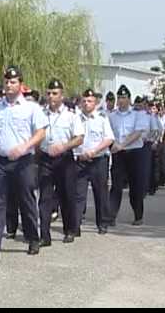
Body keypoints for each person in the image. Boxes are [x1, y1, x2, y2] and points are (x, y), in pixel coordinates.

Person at [0, 66, 48, 261]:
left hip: (23, 161)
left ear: (20, 84)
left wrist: (25, 146)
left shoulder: (31, 108)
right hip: (0, 161)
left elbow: (41, 132)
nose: (9, 85)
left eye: (13, 82)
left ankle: (33, 238)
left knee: (26, 199)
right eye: (7, 82)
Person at [37, 78, 84, 245]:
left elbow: (79, 138)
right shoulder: (41, 113)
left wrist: (64, 146)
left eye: (55, 93)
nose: (51, 97)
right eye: (49, 93)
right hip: (45, 158)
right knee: (45, 196)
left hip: (64, 158)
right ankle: (44, 235)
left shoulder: (71, 116)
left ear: (62, 95)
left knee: (67, 195)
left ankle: (70, 229)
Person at [73, 89, 114, 235]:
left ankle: (102, 223)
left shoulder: (102, 118)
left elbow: (109, 138)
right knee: (78, 194)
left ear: (95, 103)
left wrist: (94, 151)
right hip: (80, 161)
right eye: (84, 101)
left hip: (98, 160)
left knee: (101, 193)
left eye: (89, 101)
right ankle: (75, 225)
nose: (86, 103)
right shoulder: (75, 118)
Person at [108, 85, 147, 226]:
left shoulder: (138, 114)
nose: (121, 100)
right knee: (116, 185)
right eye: (119, 97)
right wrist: (112, 146)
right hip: (119, 155)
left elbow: (137, 134)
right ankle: (111, 216)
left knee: (135, 186)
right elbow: (109, 134)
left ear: (129, 99)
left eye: (124, 97)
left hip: (135, 153)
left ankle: (138, 215)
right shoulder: (112, 116)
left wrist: (122, 144)